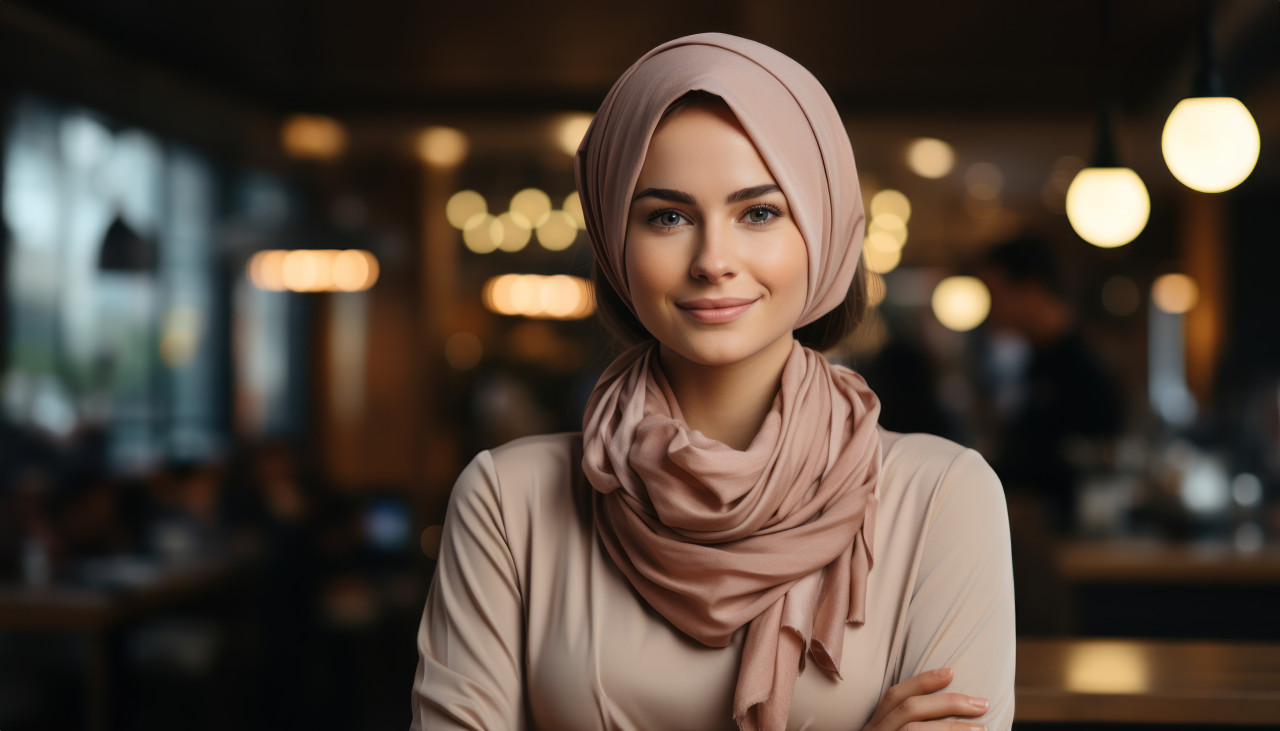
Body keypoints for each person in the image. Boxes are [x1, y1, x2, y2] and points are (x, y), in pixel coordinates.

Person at [411, 34, 1015, 731]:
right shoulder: (507, 500)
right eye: (668, 216)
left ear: (823, 231)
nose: (713, 260)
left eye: (759, 212)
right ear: (614, 242)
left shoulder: (943, 496)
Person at [977, 236, 1123, 533]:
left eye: (995, 293)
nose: (989, 309)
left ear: (1033, 290)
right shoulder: (1036, 363)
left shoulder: (1084, 371)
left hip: (1074, 545)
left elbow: (1096, 469)